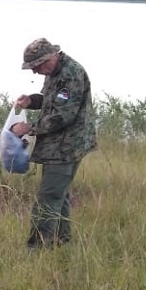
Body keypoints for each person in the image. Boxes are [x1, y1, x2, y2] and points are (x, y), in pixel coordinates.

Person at [10, 37, 97, 247]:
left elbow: (63, 116)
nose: (34, 72)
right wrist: (31, 101)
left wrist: (29, 128)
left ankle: (37, 249)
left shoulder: (71, 74)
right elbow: (50, 101)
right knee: (59, 194)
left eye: (35, 67)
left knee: (48, 198)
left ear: (49, 59)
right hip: (56, 145)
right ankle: (62, 241)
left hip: (67, 147)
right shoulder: (54, 72)